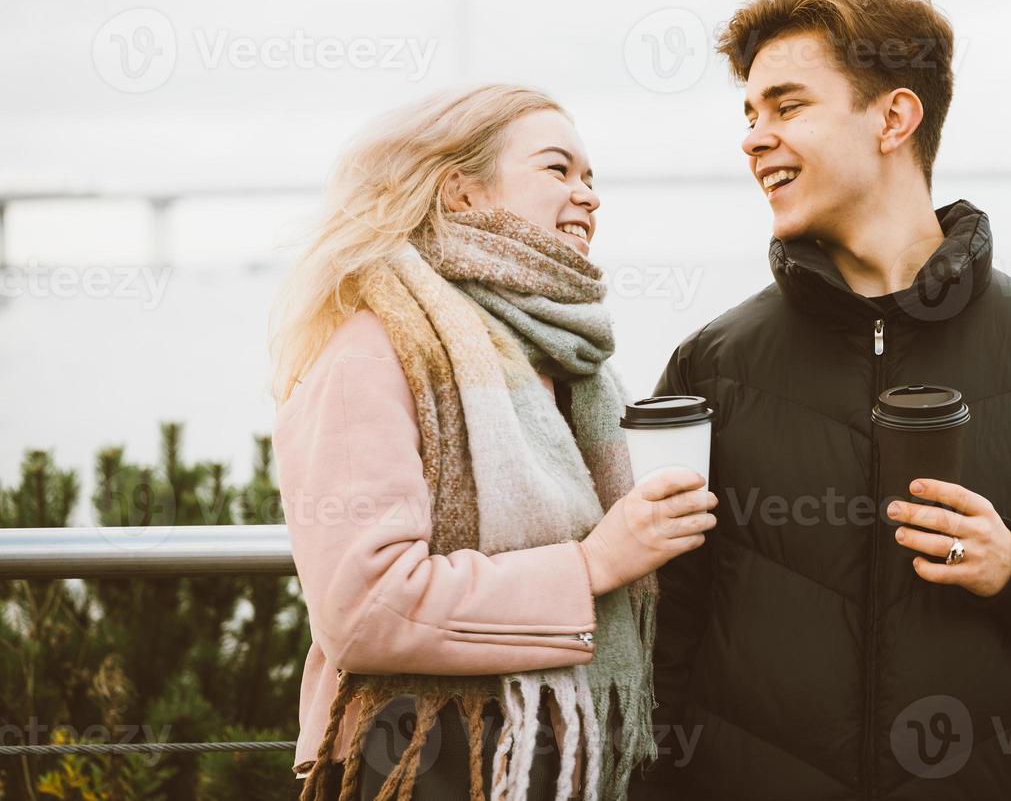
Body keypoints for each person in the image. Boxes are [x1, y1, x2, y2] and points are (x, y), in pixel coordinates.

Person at [629, 0, 1011, 800]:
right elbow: (659, 640)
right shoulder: (711, 367)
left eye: (788, 107)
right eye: (750, 116)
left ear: (894, 118)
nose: (754, 139)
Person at [268, 84, 719, 801]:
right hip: (427, 761)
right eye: (558, 170)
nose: (589, 195)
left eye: (592, 177)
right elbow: (365, 608)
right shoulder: (371, 351)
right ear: (460, 193)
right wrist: (593, 564)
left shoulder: (571, 361)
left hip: (563, 758)